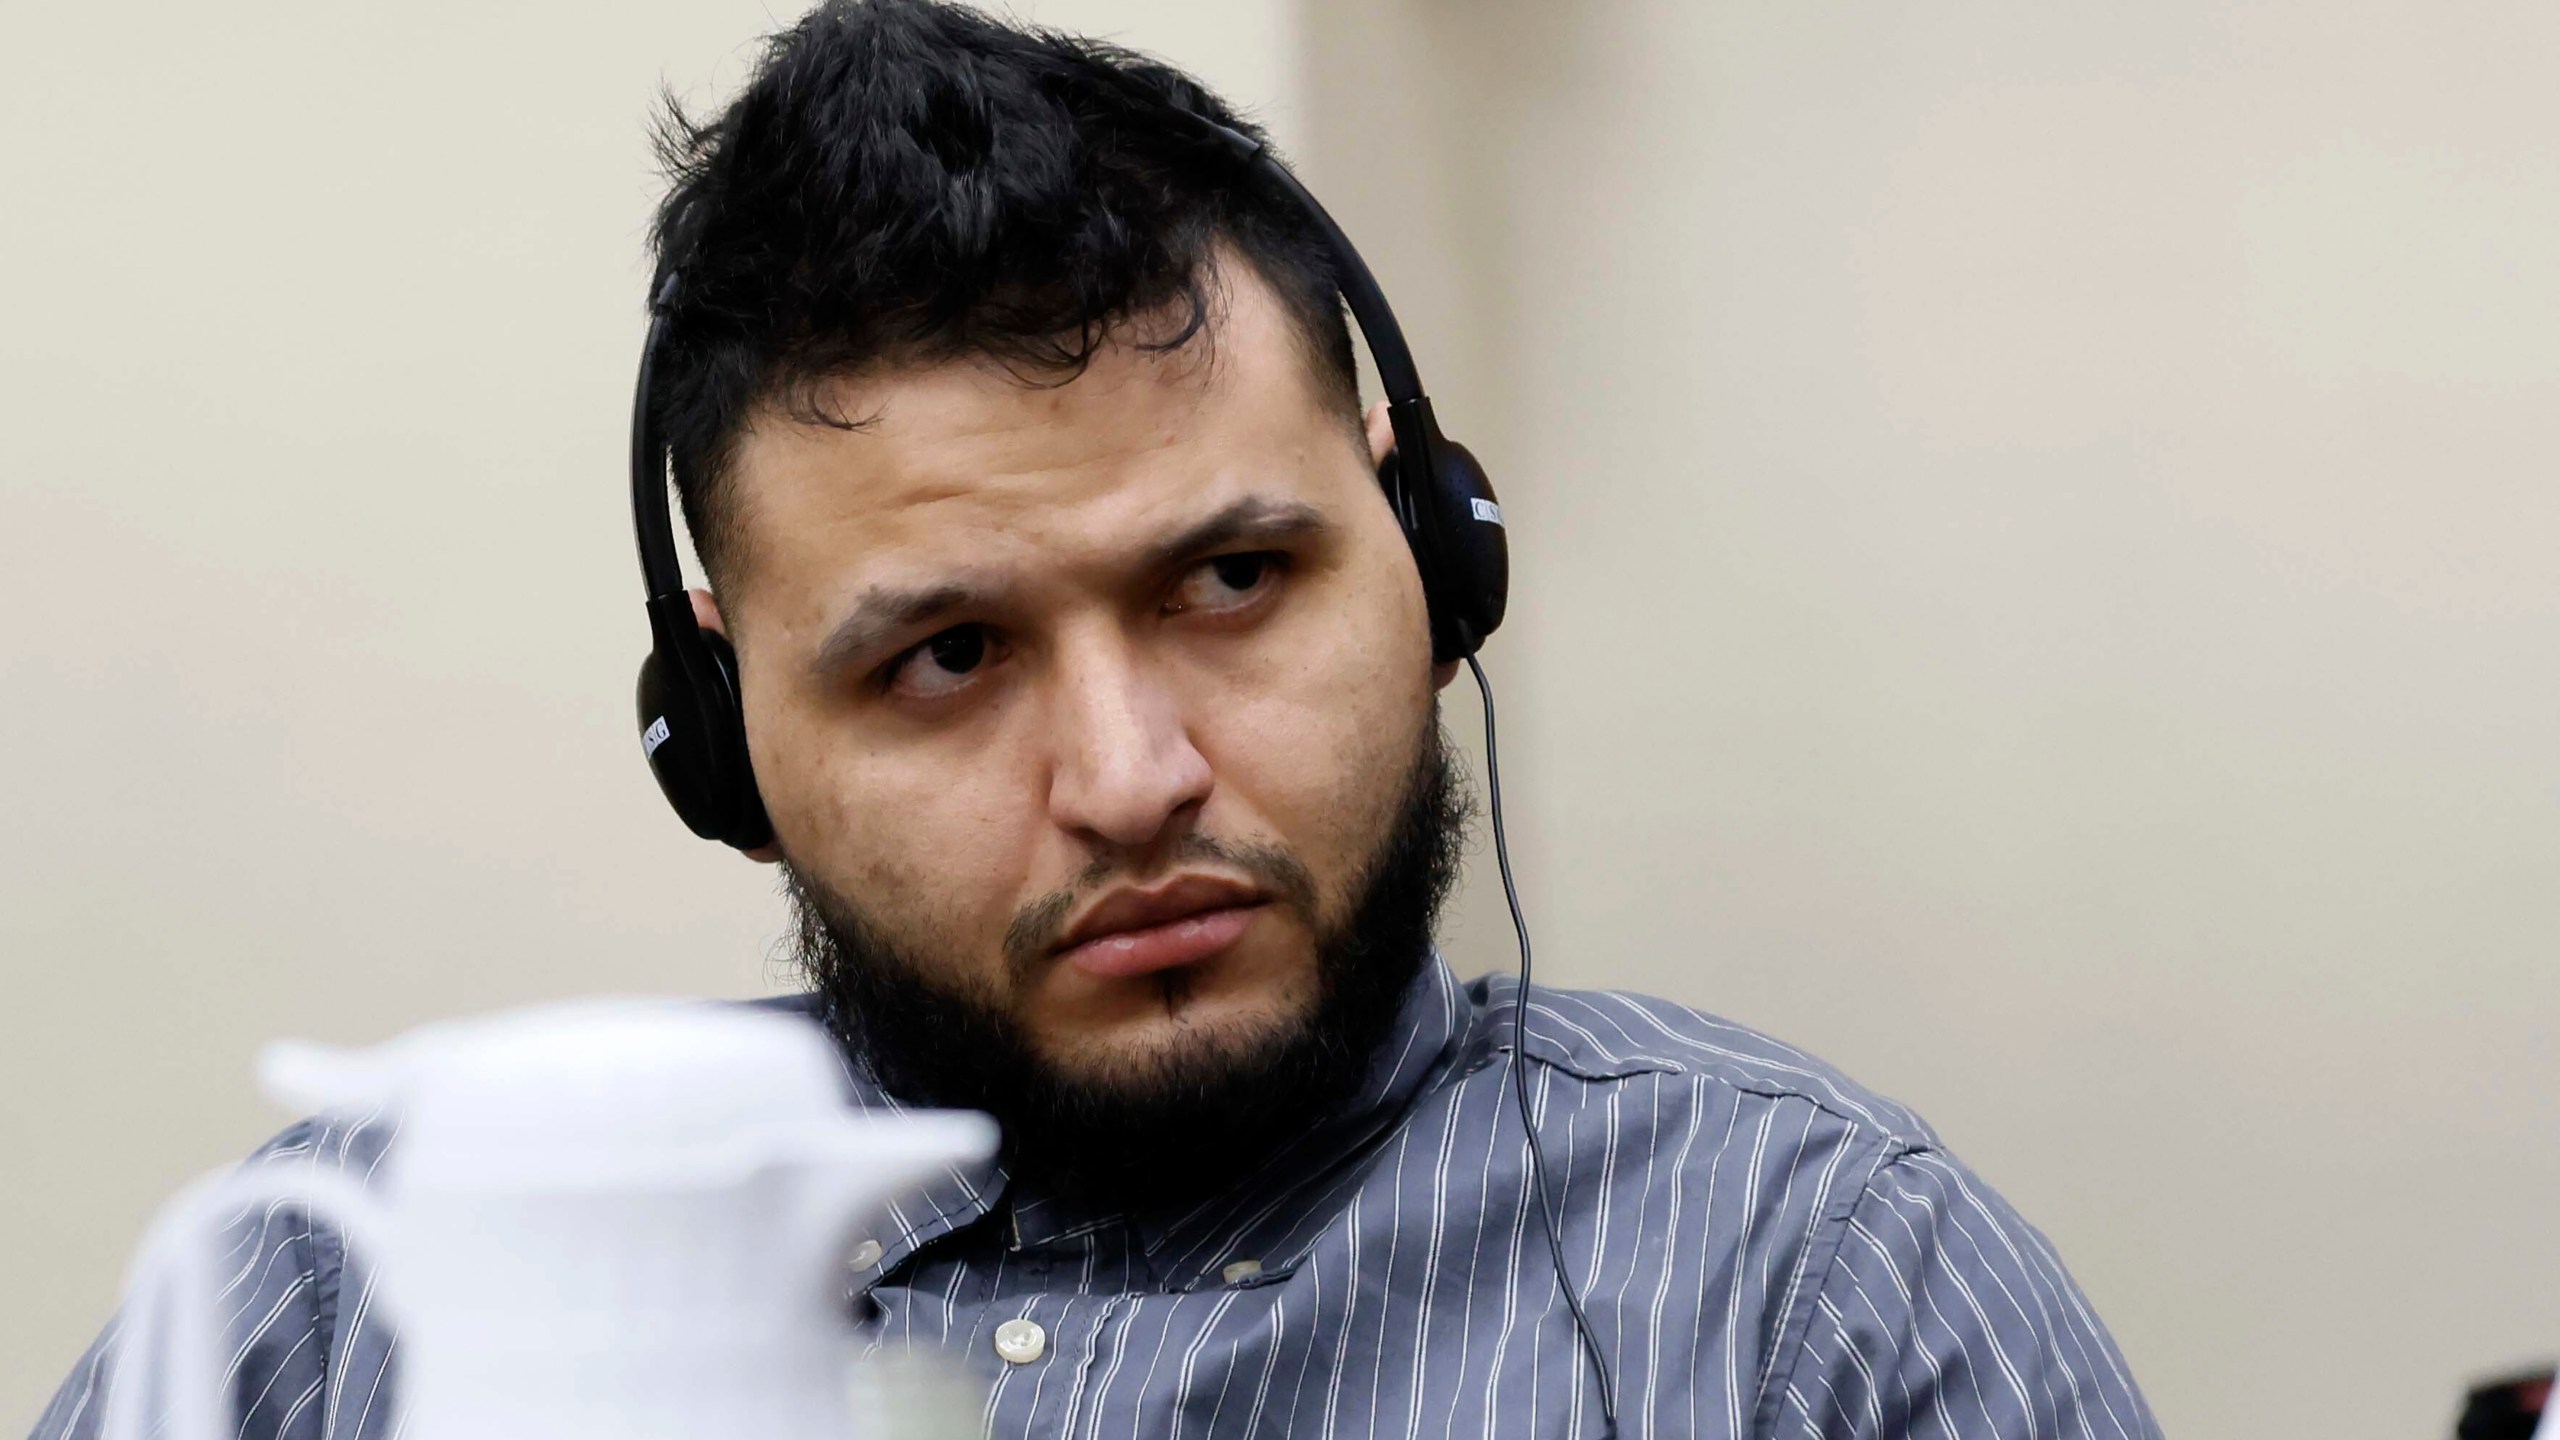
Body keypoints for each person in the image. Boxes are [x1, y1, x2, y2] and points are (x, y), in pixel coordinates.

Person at [30, 2, 2161, 1436]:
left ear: (1432, 559)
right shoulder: (363, 1289)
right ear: (719, 736)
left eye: (1232, 581)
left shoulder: (1816, 1285)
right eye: (943, 657)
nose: (1132, 779)